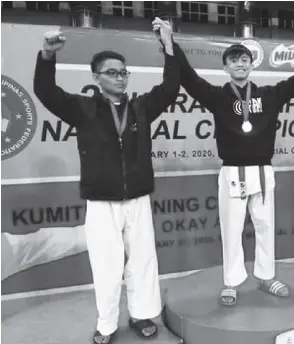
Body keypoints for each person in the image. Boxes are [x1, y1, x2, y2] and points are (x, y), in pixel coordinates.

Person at [33, 18, 180, 344]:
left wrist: (169, 47)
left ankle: (142, 315)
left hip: (138, 198)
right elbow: (45, 92)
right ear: (97, 78)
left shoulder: (141, 108)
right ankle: (107, 324)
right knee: (106, 267)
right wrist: (46, 56)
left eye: (124, 72)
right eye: (112, 72)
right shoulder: (83, 108)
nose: (120, 78)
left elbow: (170, 88)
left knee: (142, 262)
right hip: (101, 201)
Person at [172, 39, 294, 307]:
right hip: (232, 171)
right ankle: (231, 282)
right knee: (231, 228)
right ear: (225, 67)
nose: (240, 63)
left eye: (244, 59)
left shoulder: (269, 95)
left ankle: (267, 276)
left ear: (251, 65)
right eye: (234, 60)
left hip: (262, 170)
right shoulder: (217, 96)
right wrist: (171, 45)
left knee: (265, 226)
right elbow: (189, 79)